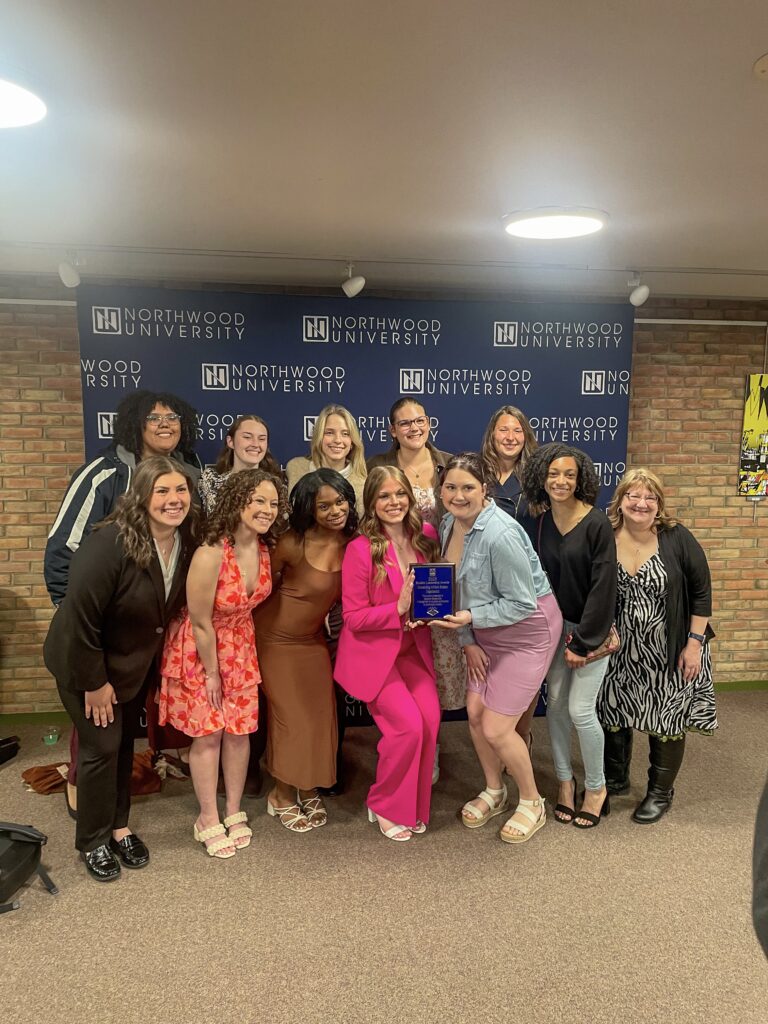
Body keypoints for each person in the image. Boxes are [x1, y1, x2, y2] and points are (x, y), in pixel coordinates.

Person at [43, 389, 202, 816]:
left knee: (123, 726)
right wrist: (77, 621)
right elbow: (63, 547)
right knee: (96, 726)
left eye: (173, 417)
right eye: (155, 418)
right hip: (96, 631)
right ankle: (82, 785)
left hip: (146, 631)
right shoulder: (103, 473)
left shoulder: (190, 473)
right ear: (134, 424)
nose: (166, 424)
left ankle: (117, 807)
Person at [431, 453, 562, 844]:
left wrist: (470, 620)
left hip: (527, 633)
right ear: (441, 491)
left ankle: (532, 801)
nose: (458, 495)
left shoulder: (499, 534)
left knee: (497, 726)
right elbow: (455, 590)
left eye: (468, 487)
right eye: (451, 487)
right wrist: (468, 640)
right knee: (474, 713)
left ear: (485, 490)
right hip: (488, 631)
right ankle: (495, 790)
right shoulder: (446, 524)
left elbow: (522, 603)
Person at [159, 469, 282, 857]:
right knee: (209, 733)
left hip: (241, 647)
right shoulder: (211, 551)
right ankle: (207, 817)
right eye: (258, 500)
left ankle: (232, 809)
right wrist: (213, 673)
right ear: (237, 501)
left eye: (273, 503)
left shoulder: (264, 549)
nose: (266, 510)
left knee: (240, 732)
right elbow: (199, 620)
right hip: (201, 649)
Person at [597, 468, 716, 823]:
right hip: (619, 650)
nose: (642, 503)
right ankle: (615, 780)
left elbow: (701, 592)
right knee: (613, 714)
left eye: (650, 497)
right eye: (634, 495)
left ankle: (660, 793)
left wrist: (694, 644)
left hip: (672, 649)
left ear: (659, 504)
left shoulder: (676, 537)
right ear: (621, 500)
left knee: (666, 717)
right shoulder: (605, 535)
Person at [335, 466, 440, 842]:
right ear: (371, 503)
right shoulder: (360, 549)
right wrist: (397, 609)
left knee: (429, 721)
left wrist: (427, 615)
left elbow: (434, 592)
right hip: (375, 656)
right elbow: (353, 617)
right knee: (407, 727)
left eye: (400, 494)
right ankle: (383, 803)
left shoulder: (425, 536)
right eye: (384, 496)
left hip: (414, 650)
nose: (393, 502)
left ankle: (411, 805)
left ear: (410, 498)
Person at [254, 469, 358, 832]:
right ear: (308, 510)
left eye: (340, 501)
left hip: (312, 641)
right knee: (290, 718)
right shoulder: (291, 543)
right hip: (274, 640)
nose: (335, 511)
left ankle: (308, 785)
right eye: (323, 505)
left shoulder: (354, 543)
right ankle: (281, 794)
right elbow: (259, 589)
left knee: (320, 716)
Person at [522, 443, 618, 829]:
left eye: (569, 475)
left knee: (580, 709)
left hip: (589, 631)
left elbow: (603, 587)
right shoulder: (540, 523)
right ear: (541, 478)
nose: (560, 481)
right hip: (552, 630)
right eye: (553, 474)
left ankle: (596, 788)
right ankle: (565, 784)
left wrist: (582, 642)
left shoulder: (595, 523)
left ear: (580, 480)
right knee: (557, 706)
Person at [368, 397, 459, 775]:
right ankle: (401, 744)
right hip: (397, 576)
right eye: (404, 423)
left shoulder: (447, 462)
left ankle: (430, 744)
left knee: (434, 660)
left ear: (429, 423)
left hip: (440, 575)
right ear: (393, 430)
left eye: (419, 420)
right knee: (401, 659)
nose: (413, 428)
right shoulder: (377, 466)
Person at [480, 405, 541, 749]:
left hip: (524, 584)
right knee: (494, 667)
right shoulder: (478, 474)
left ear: (526, 437)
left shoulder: (537, 478)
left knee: (524, 673)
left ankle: (522, 735)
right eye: (504, 430)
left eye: (517, 431)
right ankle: (498, 738)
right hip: (485, 586)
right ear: (492, 435)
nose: (510, 437)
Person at [286, 405, 367, 516]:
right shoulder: (295, 468)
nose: (338, 440)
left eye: (345, 434)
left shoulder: (362, 484)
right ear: (319, 437)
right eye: (329, 433)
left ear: (352, 442)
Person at [199, 414, 283, 515]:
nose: (255, 444)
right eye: (247, 437)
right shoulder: (212, 481)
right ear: (230, 441)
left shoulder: (276, 484)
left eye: (261, 439)